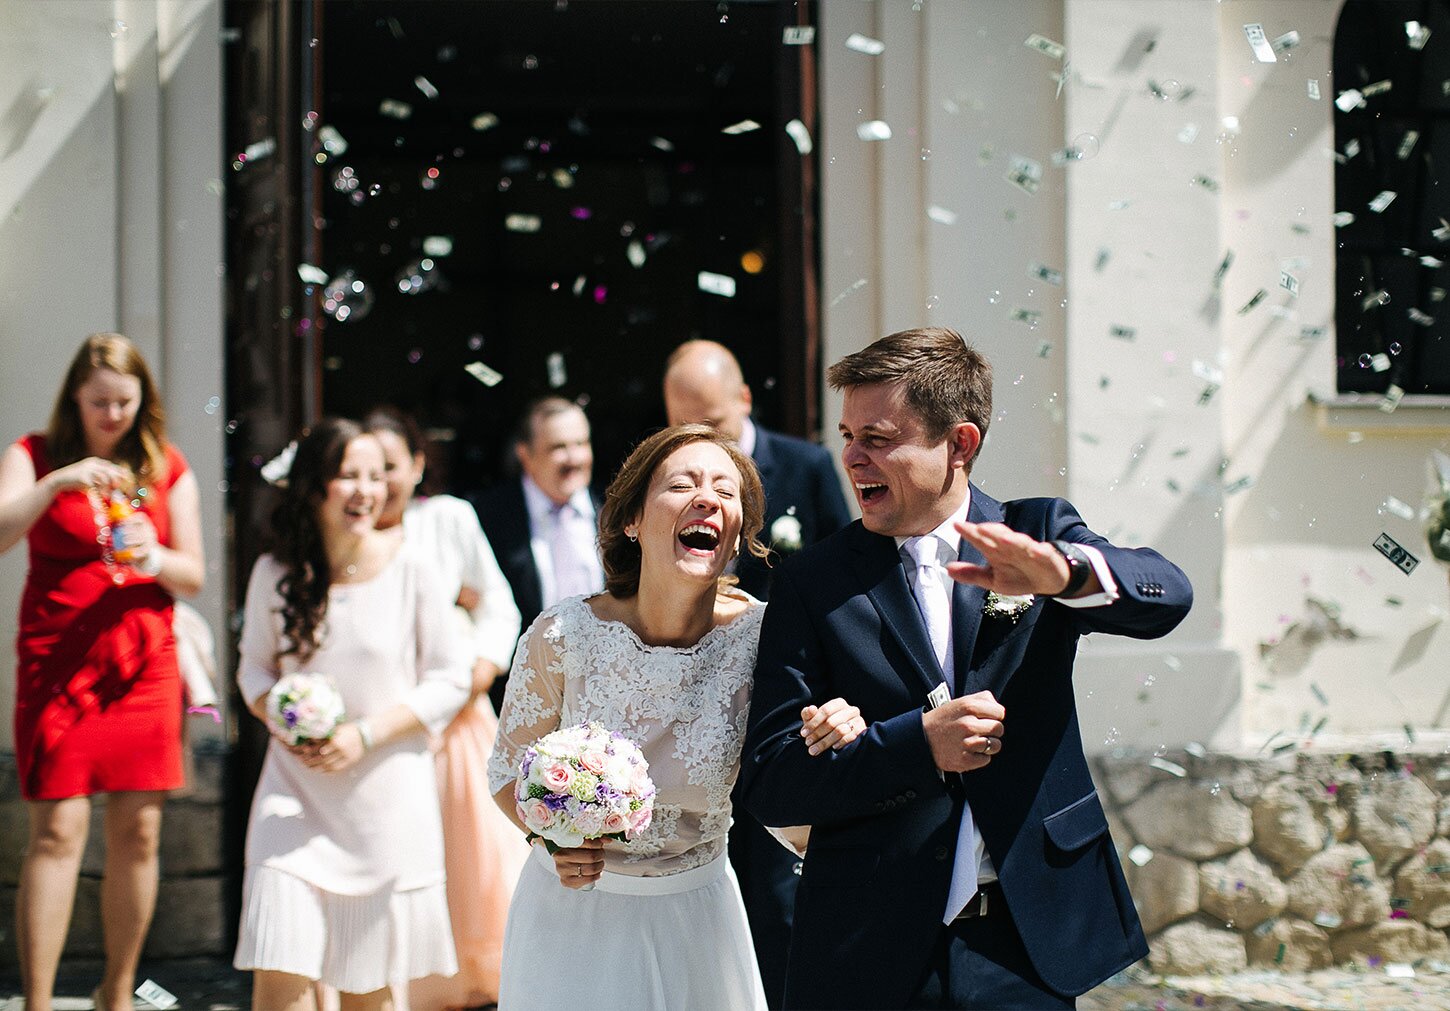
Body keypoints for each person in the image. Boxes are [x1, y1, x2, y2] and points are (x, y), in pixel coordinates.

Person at [740, 327, 1193, 1010]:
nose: (851, 458)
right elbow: (771, 781)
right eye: (848, 435)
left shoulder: (1033, 531)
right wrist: (915, 745)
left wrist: (1064, 574)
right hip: (869, 948)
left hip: (1026, 940)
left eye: (878, 438)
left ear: (960, 445)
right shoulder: (812, 580)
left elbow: (1168, 593)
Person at [486, 424, 866, 1011]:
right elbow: (508, 769)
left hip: (697, 922)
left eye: (726, 491)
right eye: (682, 484)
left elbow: (791, 805)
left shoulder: (767, 642)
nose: (707, 499)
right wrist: (552, 837)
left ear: (738, 532)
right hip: (571, 920)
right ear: (633, 521)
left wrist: (837, 745)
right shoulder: (563, 635)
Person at [233, 418, 470, 1011]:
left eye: (376, 476)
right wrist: (282, 716)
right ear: (314, 486)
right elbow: (253, 670)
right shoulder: (275, 573)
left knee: (367, 993)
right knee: (278, 978)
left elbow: (450, 678)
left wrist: (363, 735)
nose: (367, 490)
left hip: (383, 809)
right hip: (292, 797)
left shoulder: (413, 568)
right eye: (348, 476)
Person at [0, 333, 204, 1011]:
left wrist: (156, 556)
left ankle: (116, 990)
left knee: (138, 830)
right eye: (99, 402)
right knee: (56, 832)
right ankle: (35, 1000)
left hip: (142, 668)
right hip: (57, 666)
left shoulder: (166, 466)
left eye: (124, 400)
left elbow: (195, 574)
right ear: (75, 399)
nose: (112, 414)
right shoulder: (33, 453)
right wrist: (58, 479)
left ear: (142, 398)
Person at [662, 339, 852, 1006]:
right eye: (679, 423)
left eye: (709, 423)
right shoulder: (664, 482)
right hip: (691, 714)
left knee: (777, 899)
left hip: (782, 713)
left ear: (743, 401)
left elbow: (844, 586)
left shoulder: (807, 465)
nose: (694, 440)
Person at [362, 406, 528, 1011]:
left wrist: (478, 671)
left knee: (473, 865)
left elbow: (499, 609)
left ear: (416, 464)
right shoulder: (351, 536)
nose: (378, 483)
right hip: (385, 727)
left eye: (390, 465)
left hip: (458, 722)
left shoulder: (448, 520)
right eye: (366, 469)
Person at [471, 396, 603, 713]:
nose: (573, 458)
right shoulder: (486, 516)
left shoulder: (617, 509)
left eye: (581, 444)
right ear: (525, 455)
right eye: (558, 447)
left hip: (604, 693)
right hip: (520, 699)